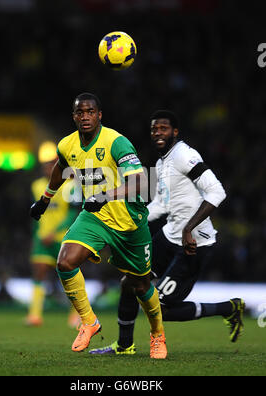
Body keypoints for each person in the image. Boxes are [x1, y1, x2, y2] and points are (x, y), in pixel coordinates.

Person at [89, 110, 245, 356]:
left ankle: (229, 308)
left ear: (175, 132)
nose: (158, 133)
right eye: (154, 129)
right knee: (129, 283)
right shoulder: (163, 162)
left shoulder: (184, 155)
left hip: (195, 243)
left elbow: (216, 192)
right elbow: (161, 205)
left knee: (162, 309)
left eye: (163, 128)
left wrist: (189, 228)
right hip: (169, 235)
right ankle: (124, 346)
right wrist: (123, 224)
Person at [29, 93, 167, 359]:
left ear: (99, 115)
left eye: (90, 112)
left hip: (129, 221)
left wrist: (103, 196)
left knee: (140, 286)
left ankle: (157, 335)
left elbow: (140, 182)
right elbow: (60, 167)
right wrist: (45, 200)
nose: (85, 116)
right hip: (95, 216)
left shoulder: (116, 142)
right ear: (74, 117)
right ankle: (89, 321)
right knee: (65, 262)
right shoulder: (67, 144)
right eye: (80, 112)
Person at [26, 142, 80, 327]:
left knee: (69, 276)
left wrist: (55, 232)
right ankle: (34, 315)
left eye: (52, 165)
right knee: (39, 273)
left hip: (64, 238)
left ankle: (76, 314)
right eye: (46, 165)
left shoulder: (71, 186)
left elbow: (73, 214)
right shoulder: (36, 186)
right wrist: (35, 237)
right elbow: (35, 213)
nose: (48, 168)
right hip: (42, 238)